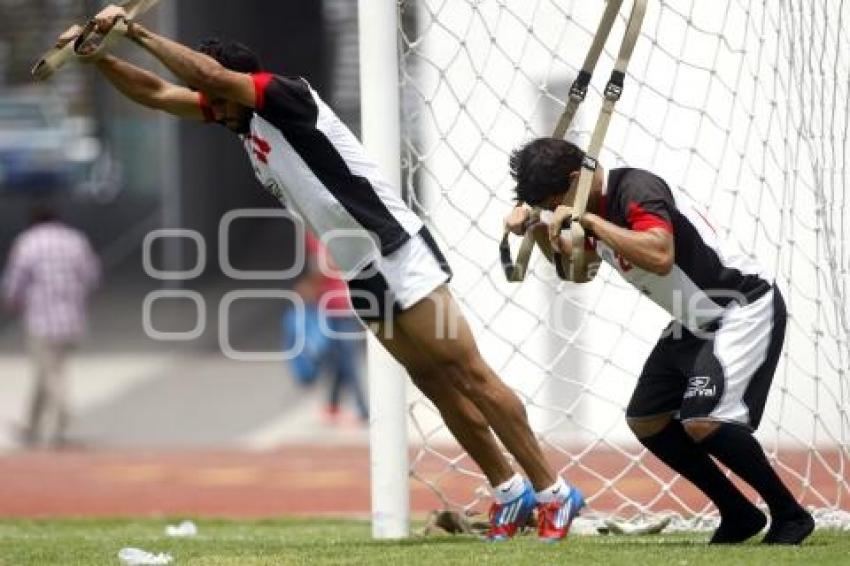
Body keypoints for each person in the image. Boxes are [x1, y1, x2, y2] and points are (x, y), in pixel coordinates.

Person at [55, 5, 585, 540]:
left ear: (233, 84)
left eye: (213, 96)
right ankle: (508, 492)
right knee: (433, 382)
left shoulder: (285, 97)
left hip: (394, 248)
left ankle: (553, 492)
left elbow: (205, 78)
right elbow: (157, 94)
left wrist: (136, 30)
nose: (205, 106)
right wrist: (99, 57)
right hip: (360, 268)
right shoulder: (236, 118)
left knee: (470, 374)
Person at [505, 137, 815, 545]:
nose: (554, 209)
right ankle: (738, 513)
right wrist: (540, 229)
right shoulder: (588, 208)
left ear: (577, 179)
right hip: (695, 319)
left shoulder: (636, 189)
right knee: (647, 418)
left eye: (553, 200)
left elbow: (660, 253)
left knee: (703, 420)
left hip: (740, 304)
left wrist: (593, 224)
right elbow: (577, 271)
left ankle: (790, 515)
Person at [2, 204, 100, 447]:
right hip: (72, 318)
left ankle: (63, 419)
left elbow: (16, 281)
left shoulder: (28, 243)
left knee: (50, 374)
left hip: (41, 320)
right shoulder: (75, 240)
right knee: (46, 372)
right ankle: (31, 426)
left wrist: (12, 302)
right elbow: (91, 275)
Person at [283, 232, 369, 425]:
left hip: (338, 305)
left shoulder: (317, 234)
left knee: (345, 358)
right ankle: (336, 405)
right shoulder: (337, 230)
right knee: (341, 357)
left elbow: (321, 267)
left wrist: (309, 286)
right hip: (339, 304)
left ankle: (359, 408)